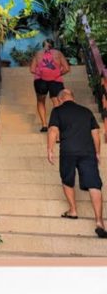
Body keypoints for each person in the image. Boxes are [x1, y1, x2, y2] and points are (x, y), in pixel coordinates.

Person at [47, 88, 107, 238]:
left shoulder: (57, 111)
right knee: (94, 184)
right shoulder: (86, 111)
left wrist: (50, 149)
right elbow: (95, 134)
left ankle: (73, 211)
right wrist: (97, 152)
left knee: (67, 180)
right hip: (87, 151)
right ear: (73, 98)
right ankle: (100, 222)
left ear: (60, 99)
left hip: (68, 151)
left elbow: (53, 130)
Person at [30, 39, 70, 132]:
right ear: (53, 45)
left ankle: (44, 125)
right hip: (56, 81)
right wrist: (57, 74)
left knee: (40, 101)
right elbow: (67, 68)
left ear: (42, 45)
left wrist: (42, 73)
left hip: (40, 81)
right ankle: (57, 125)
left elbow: (32, 69)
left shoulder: (38, 54)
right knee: (57, 103)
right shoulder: (58, 53)